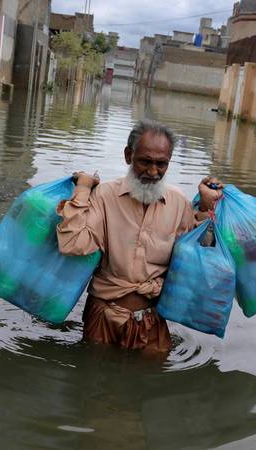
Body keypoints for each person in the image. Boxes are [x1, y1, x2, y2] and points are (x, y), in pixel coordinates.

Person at [56, 119, 223, 353]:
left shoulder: (179, 203)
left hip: (152, 320)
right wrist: (82, 190)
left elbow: (202, 261)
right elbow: (72, 244)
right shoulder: (104, 196)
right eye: (145, 162)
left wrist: (205, 208)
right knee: (94, 382)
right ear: (128, 155)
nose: (153, 172)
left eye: (161, 164)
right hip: (103, 316)